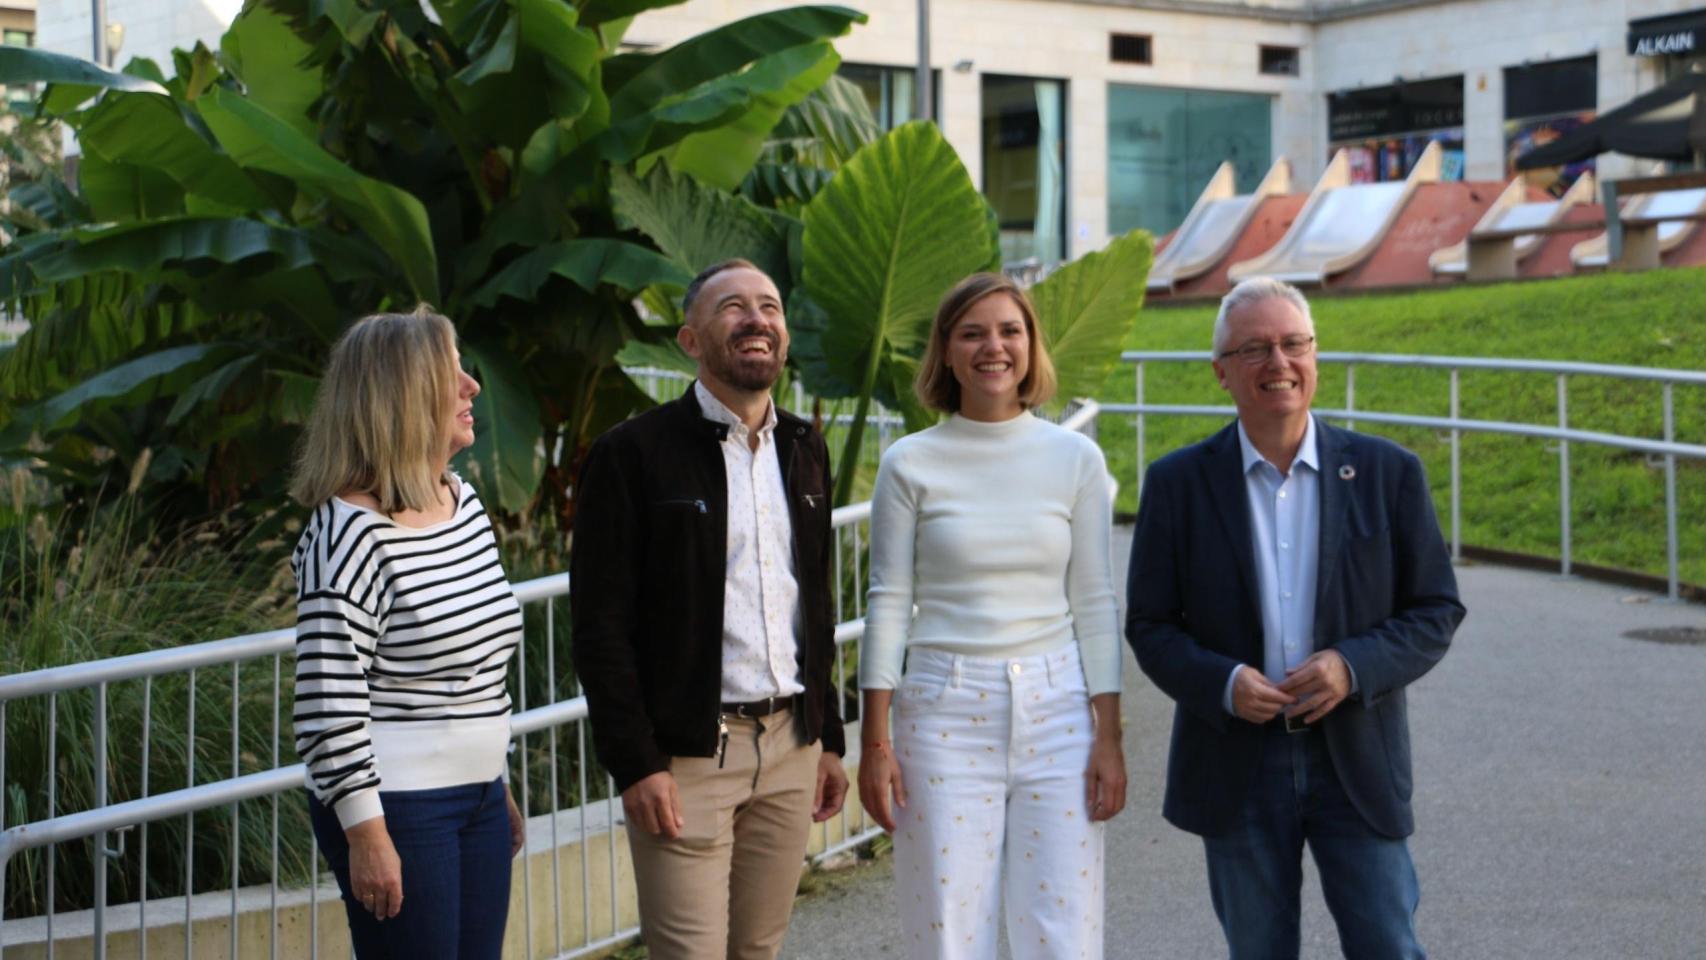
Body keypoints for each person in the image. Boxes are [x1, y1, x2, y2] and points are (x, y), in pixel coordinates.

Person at [1125, 277, 1466, 960]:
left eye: (1292, 344)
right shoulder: (1177, 483)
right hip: (1235, 764)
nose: (1278, 363)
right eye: (1254, 349)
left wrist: (1351, 665)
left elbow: (1435, 609)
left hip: (1356, 758)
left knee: (1388, 947)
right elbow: (1151, 625)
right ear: (1221, 372)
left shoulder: (1387, 473)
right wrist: (1222, 682)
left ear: (1315, 356)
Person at [570, 259, 848, 960]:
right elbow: (600, 626)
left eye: (770, 307)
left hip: (791, 746)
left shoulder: (803, 446)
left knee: (758, 950)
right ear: (690, 340)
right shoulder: (632, 454)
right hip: (689, 757)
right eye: (733, 307)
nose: (757, 320)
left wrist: (830, 736)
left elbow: (814, 599)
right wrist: (636, 763)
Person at [858, 272, 1127, 960]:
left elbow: (1094, 601)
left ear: (1032, 345)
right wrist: (875, 742)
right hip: (943, 708)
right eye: (972, 333)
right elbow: (888, 599)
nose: (993, 347)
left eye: (1010, 331)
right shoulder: (910, 463)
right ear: (946, 353)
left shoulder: (1076, 459)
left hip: (1059, 705)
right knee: (948, 929)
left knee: (1062, 932)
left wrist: (1109, 735)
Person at [289, 306, 526, 960]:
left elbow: (478, 672)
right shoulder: (347, 536)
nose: (472, 386)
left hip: (477, 798)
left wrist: (493, 781)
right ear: (401, 395)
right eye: (451, 374)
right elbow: (326, 707)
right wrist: (366, 836)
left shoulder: (461, 501)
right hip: (397, 808)